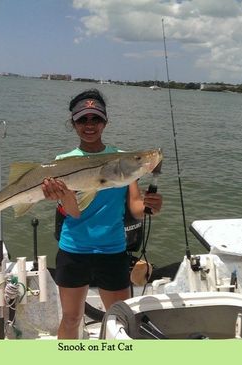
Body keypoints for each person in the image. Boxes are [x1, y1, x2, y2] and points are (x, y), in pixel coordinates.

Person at [41, 89, 162, 339]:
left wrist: (152, 206)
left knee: (121, 320)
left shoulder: (124, 161)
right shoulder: (61, 162)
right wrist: (62, 195)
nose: (89, 125)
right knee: (72, 318)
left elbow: (137, 210)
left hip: (113, 251)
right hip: (74, 250)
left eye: (95, 119)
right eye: (82, 119)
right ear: (73, 123)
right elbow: (73, 213)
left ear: (105, 122)